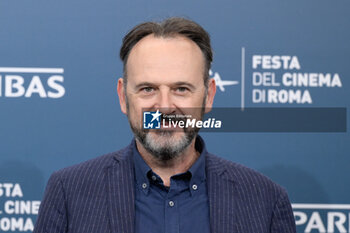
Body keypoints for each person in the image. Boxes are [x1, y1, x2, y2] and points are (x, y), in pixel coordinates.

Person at [34, 17, 296, 233]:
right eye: (148, 89)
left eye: (181, 89)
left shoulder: (265, 200)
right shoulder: (69, 192)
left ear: (209, 96)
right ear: (123, 97)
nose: (164, 106)